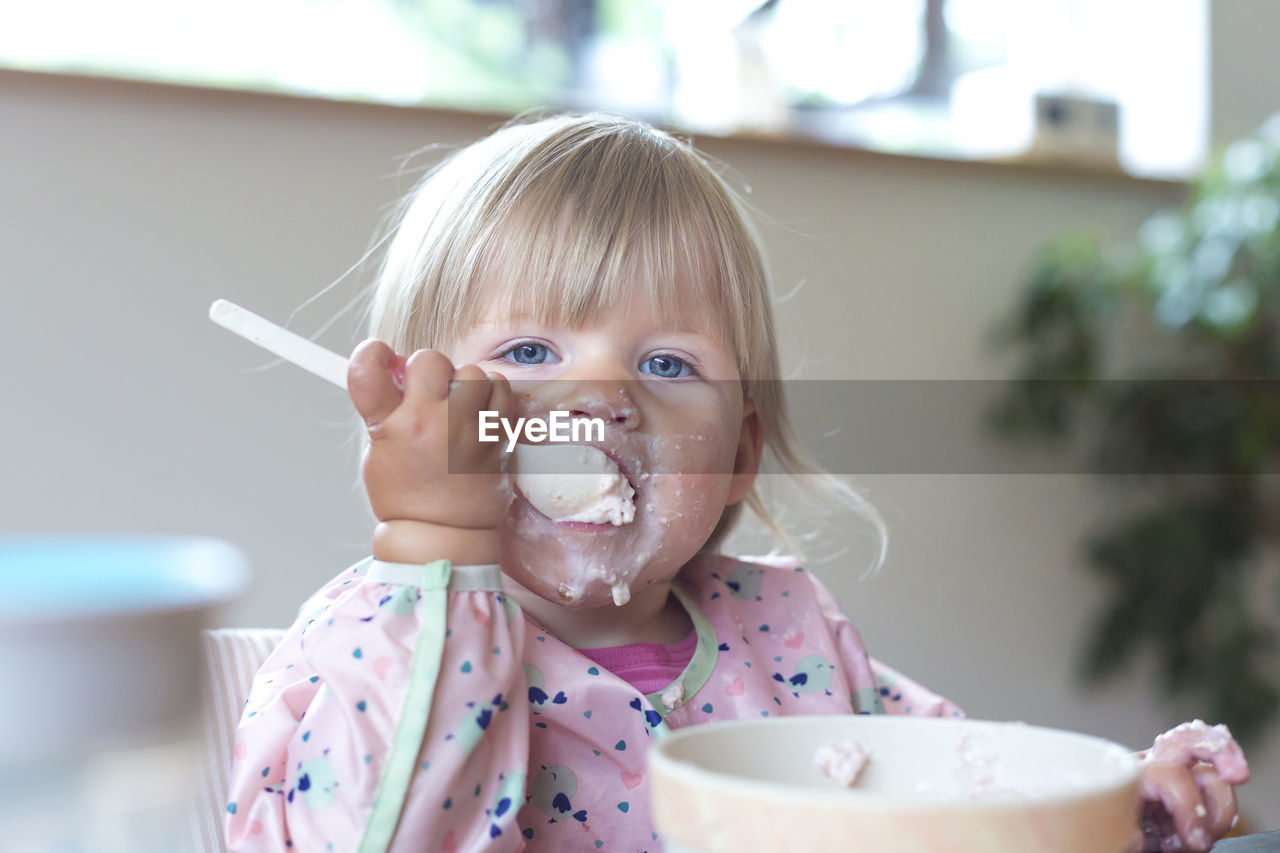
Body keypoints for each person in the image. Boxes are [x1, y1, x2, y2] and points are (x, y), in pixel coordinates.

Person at [225, 112, 1249, 853]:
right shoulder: (372, 640)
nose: (602, 399)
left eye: (668, 366)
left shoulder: (787, 632)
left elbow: (955, 806)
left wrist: (1122, 806)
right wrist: (436, 544)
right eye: (530, 351)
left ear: (738, 458)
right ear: (424, 419)